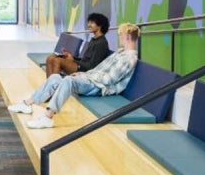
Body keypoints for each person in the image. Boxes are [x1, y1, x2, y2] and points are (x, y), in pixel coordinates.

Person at [10, 23, 141, 129]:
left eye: (121, 35)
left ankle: (48, 117)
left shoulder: (129, 58)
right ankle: (28, 104)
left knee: (68, 80)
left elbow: (109, 79)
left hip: (99, 87)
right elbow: (98, 70)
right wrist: (83, 74)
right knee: (55, 77)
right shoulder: (120, 52)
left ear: (128, 36)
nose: (119, 37)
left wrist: (85, 77)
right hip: (91, 80)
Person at [45, 13, 112, 76]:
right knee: (50, 58)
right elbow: (84, 60)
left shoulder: (101, 43)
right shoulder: (94, 40)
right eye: (89, 22)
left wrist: (73, 60)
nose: (89, 25)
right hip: (81, 66)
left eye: (92, 23)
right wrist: (70, 56)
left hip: (86, 71)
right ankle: (50, 86)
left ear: (99, 26)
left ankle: (54, 86)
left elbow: (92, 66)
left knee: (57, 61)